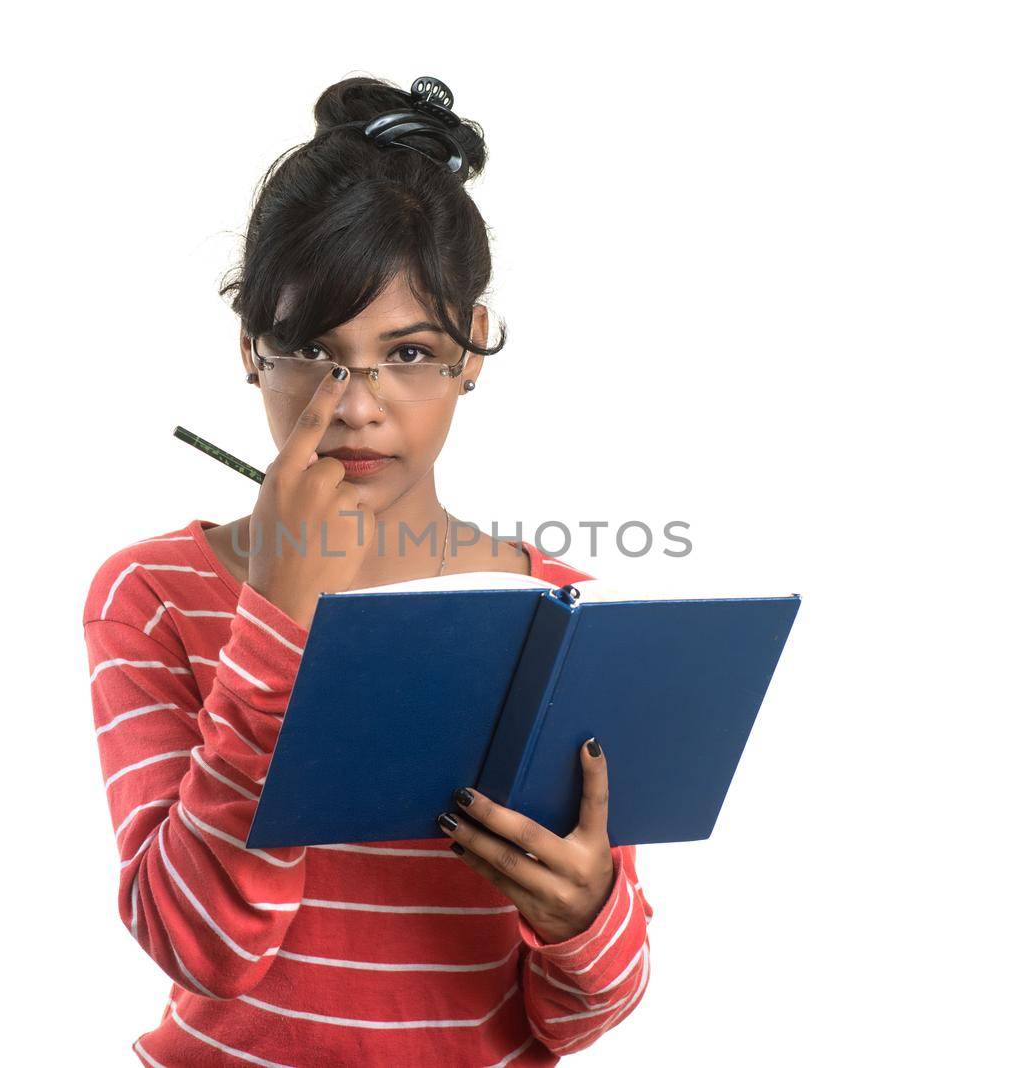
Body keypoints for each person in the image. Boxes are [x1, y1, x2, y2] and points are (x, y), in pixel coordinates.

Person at [81, 74, 652, 1066]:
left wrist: (583, 915)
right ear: (250, 351)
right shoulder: (153, 595)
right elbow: (205, 948)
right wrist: (280, 616)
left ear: (472, 346)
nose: (354, 405)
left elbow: (573, 1018)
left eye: (411, 351)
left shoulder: (557, 616)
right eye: (312, 349)